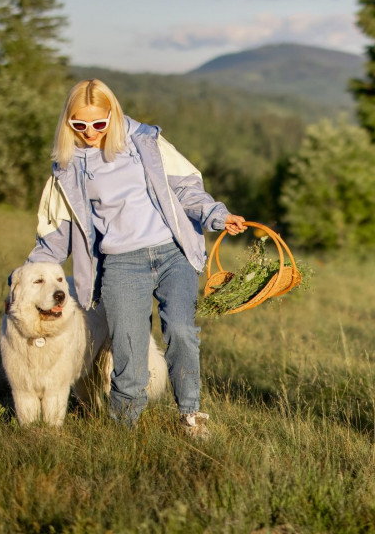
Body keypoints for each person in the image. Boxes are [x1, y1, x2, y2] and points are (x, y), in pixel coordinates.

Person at [25, 78, 247, 436]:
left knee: (180, 330)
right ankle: (123, 429)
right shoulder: (66, 170)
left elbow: (187, 189)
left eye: (99, 123)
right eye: (79, 125)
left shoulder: (145, 141)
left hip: (173, 252)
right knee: (129, 348)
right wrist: (20, 282)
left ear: (113, 114)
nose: (90, 132)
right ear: (68, 123)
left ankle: (190, 416)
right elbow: (53, 238)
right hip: (121, 263)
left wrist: (217, 217)